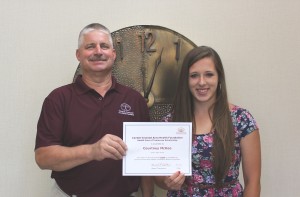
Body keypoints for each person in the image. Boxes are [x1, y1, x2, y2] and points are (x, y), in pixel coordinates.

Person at [35, 23, 154, 197]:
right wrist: (92, 151)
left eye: (104, 46)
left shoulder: (135, 100)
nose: (98, 51)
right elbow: (43, 158)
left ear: (113, 54)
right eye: (90, 46)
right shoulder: (58, 99)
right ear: (78, 55)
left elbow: (145, 159)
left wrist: (148, 195)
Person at [154, 46, 261, 196]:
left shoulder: (242, 120)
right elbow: (158, 178)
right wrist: (166, 181)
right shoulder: (170, 123)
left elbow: (253, 182)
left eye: (209, 74)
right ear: (186, 79)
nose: (202, 82)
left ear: (219, 78)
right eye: (194, 75)